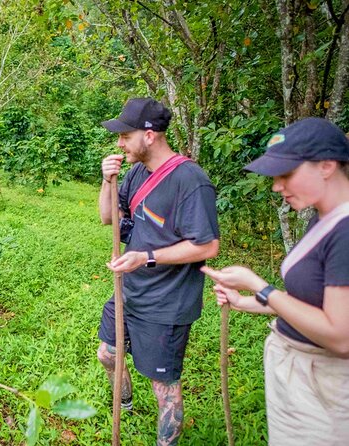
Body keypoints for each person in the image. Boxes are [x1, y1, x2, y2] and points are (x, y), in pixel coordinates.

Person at [202, 117, 349, 445]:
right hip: (299, 373)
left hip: (322, 385)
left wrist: (260, 286)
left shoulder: (345, 231)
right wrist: (245, 301)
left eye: (286, 175)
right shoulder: (323, 219)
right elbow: (311, 306)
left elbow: (341, 337)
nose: (277, 186)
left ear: (326, 165)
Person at [97, 98, 220, 445]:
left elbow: (208, 246)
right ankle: (125, 401)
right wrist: (107, 181)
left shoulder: (191, 181)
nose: (120, 143)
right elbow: (110, 219)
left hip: (166, 303)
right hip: (131, 290)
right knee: (107, 353)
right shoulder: (136, 172)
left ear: (149, 135)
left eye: (125, 135)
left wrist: (145, 257)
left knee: (164, 387)